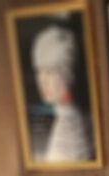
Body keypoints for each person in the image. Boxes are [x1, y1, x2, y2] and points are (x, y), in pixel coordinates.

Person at [31, 25, 92, 162]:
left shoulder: (71, 125)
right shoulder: (63, 116)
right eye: (40, 70)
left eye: (51, 71)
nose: (43, 80)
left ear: (67, 73)